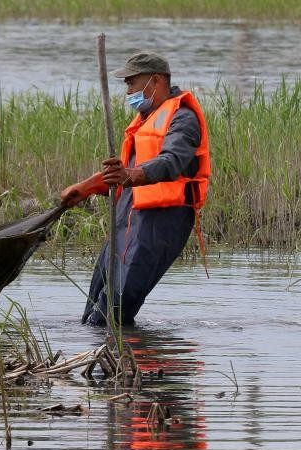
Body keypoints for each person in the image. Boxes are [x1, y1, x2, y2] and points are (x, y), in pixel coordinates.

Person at [61, 52, 211, 327]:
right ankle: (108, 356)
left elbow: (170, 163)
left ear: (155, 81)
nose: (128, 91)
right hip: (126, 218)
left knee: (115, 309)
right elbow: (126, 175)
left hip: (161, 222)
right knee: (95, 307)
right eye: (126, 84)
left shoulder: (183, 119)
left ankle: (127, 362)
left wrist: (128, 175)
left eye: (132, 83)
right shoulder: (144, 120)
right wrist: (89, 186)